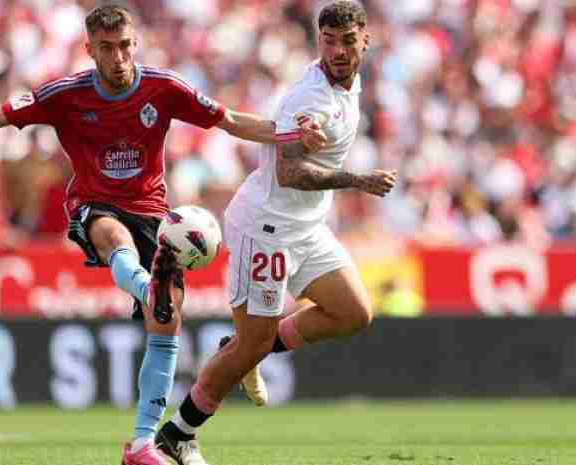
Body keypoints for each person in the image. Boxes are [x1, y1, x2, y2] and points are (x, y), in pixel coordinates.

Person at [0, 5, 326, 465]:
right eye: (107, 48)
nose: (119, 57)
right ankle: (148, 288)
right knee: (115, 238)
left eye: (125, 46)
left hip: (153, 213)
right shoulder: (64, 95)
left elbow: (230, 120)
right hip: (95, 205)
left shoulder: (164, 87)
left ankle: (142, 445)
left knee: (166, 324)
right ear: (89, 49)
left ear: (135, 44)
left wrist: (291, 134)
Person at [155, 2, 398, 464]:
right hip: (265, 227)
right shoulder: (311, 99)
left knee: (352, 312)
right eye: (329, 41)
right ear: (318, 41)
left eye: (347, 41)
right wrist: (355, 179)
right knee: (254, 343)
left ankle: (245, 349)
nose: (338, 51)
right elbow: (289, 173)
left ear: (365, 40)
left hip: (305, 226)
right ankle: (178, 433)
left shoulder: (349, 84)